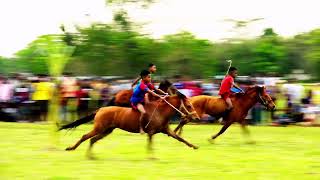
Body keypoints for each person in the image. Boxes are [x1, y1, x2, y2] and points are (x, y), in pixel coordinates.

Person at [130, 70, 168, 134]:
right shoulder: (142, 85)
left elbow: (156, 90)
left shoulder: (148, 84)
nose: (150, 78)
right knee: (144, 112)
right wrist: (161, 97)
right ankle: (141, 128)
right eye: (148, 77)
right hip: (136, 102)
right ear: (144, 78)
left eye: (150, 77)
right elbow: (152, 93)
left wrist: (165, 94)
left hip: (142, 100)